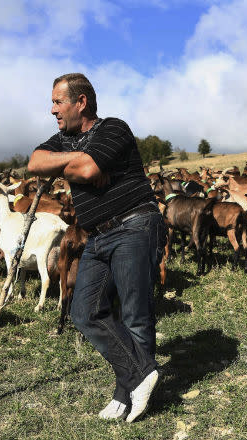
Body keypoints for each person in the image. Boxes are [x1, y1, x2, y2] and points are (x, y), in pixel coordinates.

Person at [27, 73, 166, 423]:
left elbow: (88, 170)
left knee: (135, 313)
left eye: (58, 102)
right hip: (96, 235)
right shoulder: (64, 139)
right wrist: (74, 161)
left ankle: (128, 390)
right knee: (84, 311)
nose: (52, 109)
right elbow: (33, 163)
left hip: (133, 224)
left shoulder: (113, 129)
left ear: (81, 102)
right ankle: (139, 375)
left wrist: (74, 165)